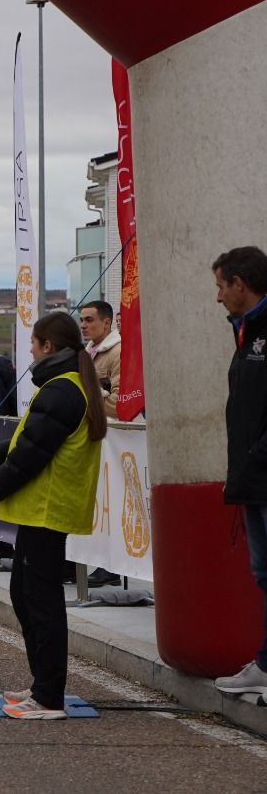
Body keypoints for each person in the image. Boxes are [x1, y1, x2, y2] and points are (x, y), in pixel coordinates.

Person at [0, 311, 107, 720]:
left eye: (33, 343)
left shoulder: (61, 389)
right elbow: (30, 436)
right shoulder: (63, 386)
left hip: (48, 508)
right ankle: (42, 683)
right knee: (25, 595)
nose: (29, 350)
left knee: (41, 603)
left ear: (48, 346)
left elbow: (33, 452)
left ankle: (48, 697)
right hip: (41, 509)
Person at [213, 246, 267, 697]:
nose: (217, 297)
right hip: (252, 477)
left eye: (220, 286)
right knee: (263, 573)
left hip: (261, 470)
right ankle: (265, 664)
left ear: (239, 283)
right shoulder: (245, 331)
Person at [79, 300, 121, 417]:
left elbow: (120, 400)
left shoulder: (119, 352)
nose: (82, 325)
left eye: (89, 320)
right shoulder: (85, 353)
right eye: (81, 320)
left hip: (112, 426)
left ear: (106, 323)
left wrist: (83, 404)